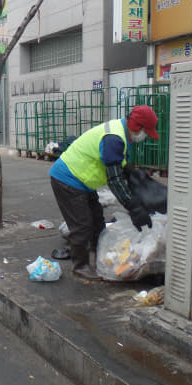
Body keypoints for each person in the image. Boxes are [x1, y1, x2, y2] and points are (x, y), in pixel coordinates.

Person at [49, 105, 160, 278]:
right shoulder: (114, 138)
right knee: (82, 224)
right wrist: (133, 207)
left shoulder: (122, 133)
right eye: (146, 131)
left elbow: (120, 169)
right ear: (137, 126)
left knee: (97, 219)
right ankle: (80, 266)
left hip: (82, 180)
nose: (145, 136)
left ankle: (100, 254)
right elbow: (115, 179)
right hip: (67, 178)